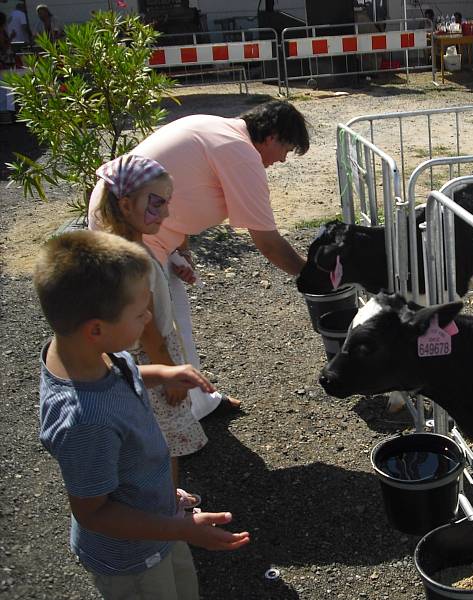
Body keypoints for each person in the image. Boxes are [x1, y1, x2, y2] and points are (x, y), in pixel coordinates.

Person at [35, 230, 250, 598]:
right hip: (132, 558)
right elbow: (94, 513)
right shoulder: (85, 420)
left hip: (161, 522)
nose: (148, 316)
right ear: (96, 329)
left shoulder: (88, 352)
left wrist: (162, 372)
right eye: (140, 313)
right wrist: (184, 529)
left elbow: (124, 372)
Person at [88, 98, 310, 420]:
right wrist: (312, 275)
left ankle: (197, 402)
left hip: (125, 221)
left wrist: (180, 247)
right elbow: (267, 241)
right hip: (132, 234)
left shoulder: (213, 126)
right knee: (158, 327)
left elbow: (178, 186)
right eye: (286, 150)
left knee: (176, 323)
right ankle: (171, 418)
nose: (282, 160)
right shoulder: (242, 152)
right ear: (272, 136)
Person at [93, 154, 208, 495]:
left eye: (166, 203)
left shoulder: (120, 247)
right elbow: (148, 330)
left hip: (139, 358)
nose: (166, 213)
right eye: (156, 204)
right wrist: (170, 373)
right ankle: (168, 510)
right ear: (126, 204)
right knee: (165, 442)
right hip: (150, 358)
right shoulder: (134, 261)